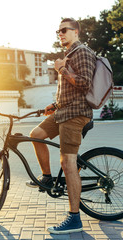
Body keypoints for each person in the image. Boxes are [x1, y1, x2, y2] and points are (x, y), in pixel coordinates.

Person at [26, 18, 96, 234]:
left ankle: (74, 218)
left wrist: (62, 69)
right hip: (62, 111)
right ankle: (47, 177)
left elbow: (84, 83)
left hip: (75, 115)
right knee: (35, 134)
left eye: (64, 30)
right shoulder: (69, 55)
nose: (60, 34)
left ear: (75, 31)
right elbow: (70, 91)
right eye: (58, 31)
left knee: (68, 162)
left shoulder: (82, 52)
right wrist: (54, 105)